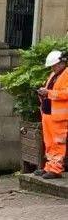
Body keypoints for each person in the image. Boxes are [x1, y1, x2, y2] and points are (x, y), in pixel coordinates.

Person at [38, 50, 68, 179]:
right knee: (49, 143)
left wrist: (48, 93)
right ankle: (49, 166)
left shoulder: (66, 75)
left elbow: (66, 93)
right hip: (48, 114)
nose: (53, 68)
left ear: (61, 63)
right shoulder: (53, 75)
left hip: (59, 118)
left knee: (58, 144)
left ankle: (56, 169)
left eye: (54, 65)